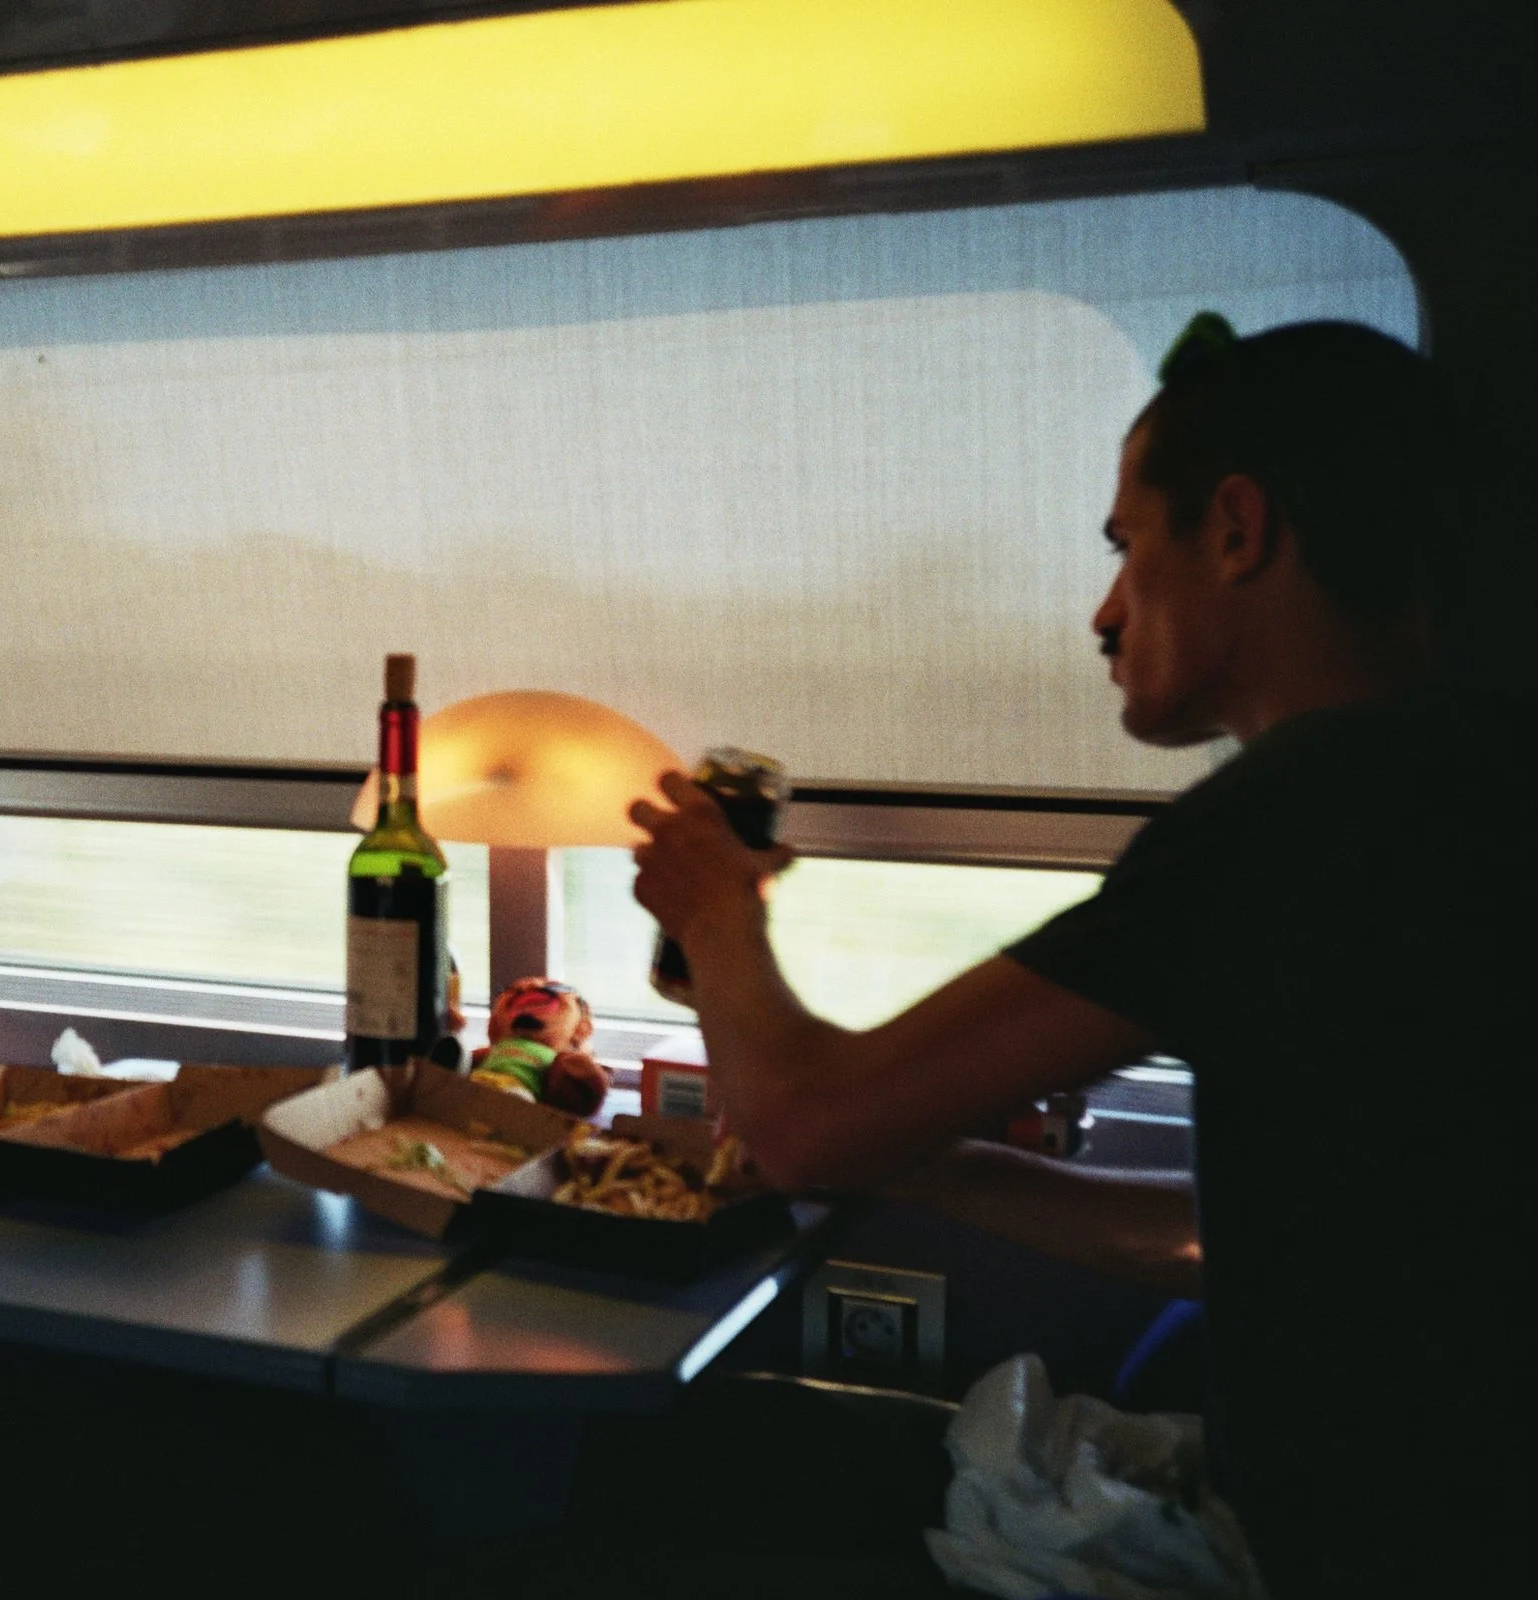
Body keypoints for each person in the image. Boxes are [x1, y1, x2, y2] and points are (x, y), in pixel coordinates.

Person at [631, 319, 1528, 1594]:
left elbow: (800, 1127)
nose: (1103, 615)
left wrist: (716, 910)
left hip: (1368, 1551)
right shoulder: (1472, 775)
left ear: (1235, 528)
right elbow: (1216, 1240)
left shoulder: (1285, 815)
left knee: (691, 1480)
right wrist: (931, 1157)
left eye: (1124, 549)